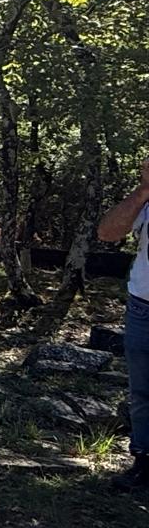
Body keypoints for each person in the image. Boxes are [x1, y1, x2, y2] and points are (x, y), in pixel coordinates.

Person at [98, 158, 149, 491]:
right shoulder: (146, 201)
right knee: (142, 392)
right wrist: (144, 190)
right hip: (143, 307)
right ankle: (144, 462)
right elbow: (107, 232)